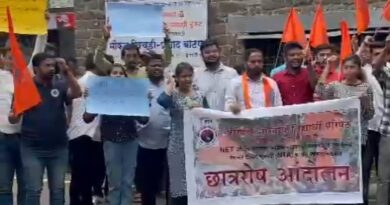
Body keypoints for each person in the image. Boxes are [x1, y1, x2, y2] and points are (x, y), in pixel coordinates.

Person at [8, 52, 82, 205]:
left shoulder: (60, 84)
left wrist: (67, 72)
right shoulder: (25, 87)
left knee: (58, 191)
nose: (51, 68)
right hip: (32, 148)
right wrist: (15, 112)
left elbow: (77, 93)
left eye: (52, 65)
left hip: (58, 148)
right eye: (46, 65)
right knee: (34, 190)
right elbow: (13, 119)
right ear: (35, 69)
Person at [83, 64, 148, 205]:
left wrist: (144, 102)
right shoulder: (102, 94)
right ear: (109, 76)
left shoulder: (131, 95)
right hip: (111, 141)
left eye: (121, 73)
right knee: (114, 181)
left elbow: (144, 120)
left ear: (125, 77)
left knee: (128, 181)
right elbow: (87, 118)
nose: (118, 75)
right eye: (114, 73)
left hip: (130, 140)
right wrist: (92, 99)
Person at [315, 54, 374, 205]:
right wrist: (328, 67)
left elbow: (369, 115)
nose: (348, 70)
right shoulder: (336, 86)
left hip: (358, 137)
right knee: (340, 173)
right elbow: (319, 91)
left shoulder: (365, 88)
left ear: (358, 69)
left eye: (352, 67)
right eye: (345, 67)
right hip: (338, 139)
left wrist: (365, 103)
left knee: (356, 173)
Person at [157, 62, 208, 205]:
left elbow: (209, 116)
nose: (186, 79)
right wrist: (170, 85)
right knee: (179, 184)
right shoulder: (173, 96)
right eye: (183, 76)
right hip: (177, 145)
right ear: (177, 78)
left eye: (189, 76)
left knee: (197, 182)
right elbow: (161, 101)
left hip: (197, 144)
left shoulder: (199, 95)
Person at [67, 52, 112, 205]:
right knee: (84, 179)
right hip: (84, 134)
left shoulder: (87, 81)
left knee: (83, 178)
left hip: (88, 134)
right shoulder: (92, 81)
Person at [136, 54, 171, 205]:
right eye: (153, 65)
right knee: (147, 186)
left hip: (168, 143)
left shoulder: (171, 85)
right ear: (146, 68)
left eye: (159, 65)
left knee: (169, 184)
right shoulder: (140, 87)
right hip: (144, 143)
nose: (157, 68)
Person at [0, 49, 25, 205]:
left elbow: (39, 50)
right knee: (3, 186)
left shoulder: (26, 78)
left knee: (26, 185)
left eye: (16, 58)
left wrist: (43, 32)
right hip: (3, 137)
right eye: (9, 58)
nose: (12, 61)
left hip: (24, 138)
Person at [225, 48, 282, 114]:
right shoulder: (235, 83)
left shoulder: (271, 83)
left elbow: (278, 107)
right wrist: (234, 108)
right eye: (253, 62)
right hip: (244, 123)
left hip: (267, 123)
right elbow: (228, 107)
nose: (257, 64)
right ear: (245, 63)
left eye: (259, 61)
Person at [193, 39, 238, 111]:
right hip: (202, 119)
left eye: (214, 51)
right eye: (207, 52)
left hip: (226, 120)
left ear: (220, 52)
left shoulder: (232, 73)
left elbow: (237, 97)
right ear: (201, 55)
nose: (211, 54)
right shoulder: (195, 74)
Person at [372, 34, 390, 205]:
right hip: (388, 133)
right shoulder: (387, 71)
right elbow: (375, 68)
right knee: (385, 180)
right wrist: (386, 47)